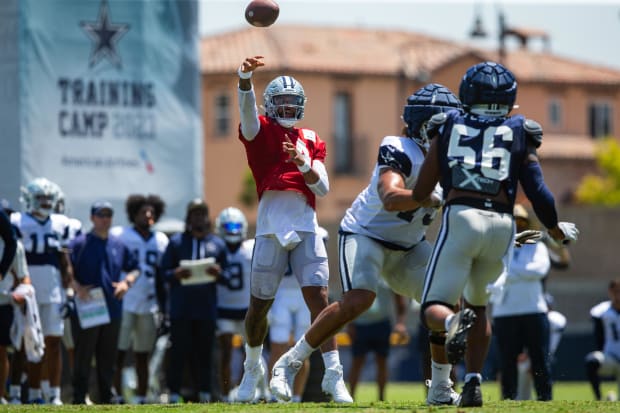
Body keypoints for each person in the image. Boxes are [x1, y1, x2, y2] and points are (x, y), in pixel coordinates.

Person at [269, 83, 462, 404]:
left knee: (444, 303)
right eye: (445, 125)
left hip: (408, 247)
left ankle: (440, 387)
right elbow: (389, 196)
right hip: (365, 234)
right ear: (426, 127)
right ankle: (288, 363)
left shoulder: (451, 160)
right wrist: (426, 198)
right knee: (358, 299)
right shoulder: (400, 148)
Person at [412, 61, 579, 407]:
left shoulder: (448, 124)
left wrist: (436, 153)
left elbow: (421, 190)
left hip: (462, 217)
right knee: (479, 306)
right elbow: (538, 191)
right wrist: (552, 228)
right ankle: (473, 383)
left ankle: (454, 322)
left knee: (433, 306)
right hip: (501, 225)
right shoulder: (521, 129)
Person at [235, 55, 349, 403]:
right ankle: (253, 368)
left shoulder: (310, 138)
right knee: (259, 307)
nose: (286, 108)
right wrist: (244, 79)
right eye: (281, 102)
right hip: (270, 226)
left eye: (292, 103)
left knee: (321, 301)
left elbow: (323, 188)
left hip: (305, 224)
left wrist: (301, 161)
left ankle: (333, 373)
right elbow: (246, 111)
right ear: (270, 105)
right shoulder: (260, 130)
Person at [69, 201, 139, 404]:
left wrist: (127, 282)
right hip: (88, 306)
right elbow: (65, 269)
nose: (105, 219)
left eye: (108, 215)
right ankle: (79, 397)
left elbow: (135, 268)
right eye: (101, 215)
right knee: (84, 355)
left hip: (112, 307)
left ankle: (106, 397)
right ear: (92, 218)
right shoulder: (79, 243)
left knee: (107, 357)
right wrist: (77, 288)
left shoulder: (118, 244)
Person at [11, 177, 73, 404]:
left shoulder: (60, 223)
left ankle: (52, 394)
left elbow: (64, 260)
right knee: (23, 342)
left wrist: (69, 292)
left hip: (53, 289)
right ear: (29, 199)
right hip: (26, 289)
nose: (45, 203)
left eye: (48, 198)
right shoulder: (17, 221)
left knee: (54, 342)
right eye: (40, 198)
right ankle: (22, 391)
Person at [160, 198, 229, 403]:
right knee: (178, 352)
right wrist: (176, 274)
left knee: (205, 353)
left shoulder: (217, 244)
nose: (199, 218)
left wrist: (217, 273)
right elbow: (163, 273)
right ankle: (174, 392)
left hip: (206, 309)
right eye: (195, 214)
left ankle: (205, 392)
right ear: (189, 218)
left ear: (207, 218)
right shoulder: (176, 243)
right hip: (181, 309)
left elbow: (227, 277)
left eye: (202, 214)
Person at [490, 203, 554, 400]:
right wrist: (521, 272)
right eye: (513, 221)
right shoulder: (496, 247)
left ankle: (545, 398)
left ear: (527, 224)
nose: (517, 226)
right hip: (504, 312)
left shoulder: (538, 246)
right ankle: (508, 399)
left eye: (521, 222)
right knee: (507, 360)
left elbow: (539, 270)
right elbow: (492, 273)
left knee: (539, 359)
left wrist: (510, 273)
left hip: (533, 309)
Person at [110, 195, 169, 404]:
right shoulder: (120, 235)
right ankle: (115, 395)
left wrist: (164, 306)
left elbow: (163, 275)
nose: (148, 215)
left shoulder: (161, 239)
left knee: (143, 354)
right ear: (133, 214)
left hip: (149, 302)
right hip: (125, 301)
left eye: (151, 212)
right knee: (118, 352)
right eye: (143, 212)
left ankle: (142, 397)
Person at [267, 226, 329, 403]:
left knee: (303, 350)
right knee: (278, 347)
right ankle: (274, 395)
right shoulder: (280, 230)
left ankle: (296, 396)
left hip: (305, 295)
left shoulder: (319, 233)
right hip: (282, 293)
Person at [213, 207, 254, 402]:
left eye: (235, 226)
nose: (232, 230)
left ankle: (243, 387)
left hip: (246, 310)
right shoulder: (215, 248)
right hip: (223, 309)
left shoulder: (251, 248)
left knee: (251, 354)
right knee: (226, 353)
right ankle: (226, 391)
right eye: (228, 226)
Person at [346, 278, 408, 401]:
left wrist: (400, 323)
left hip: (382, 323)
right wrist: (350, 323)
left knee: (382, 362)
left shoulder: (387, 276)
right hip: (360, 324)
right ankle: (350, 396)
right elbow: (349, 300)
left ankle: (381, 397)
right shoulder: (359, 275)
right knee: (357, 362)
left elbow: (399, 300)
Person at [585, 278, 620, 401]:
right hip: (610, 357)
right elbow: (598, 334)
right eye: (617, 291)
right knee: (592, 360)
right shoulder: (602, 310)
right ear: (610, 292)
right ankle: (598, 399)